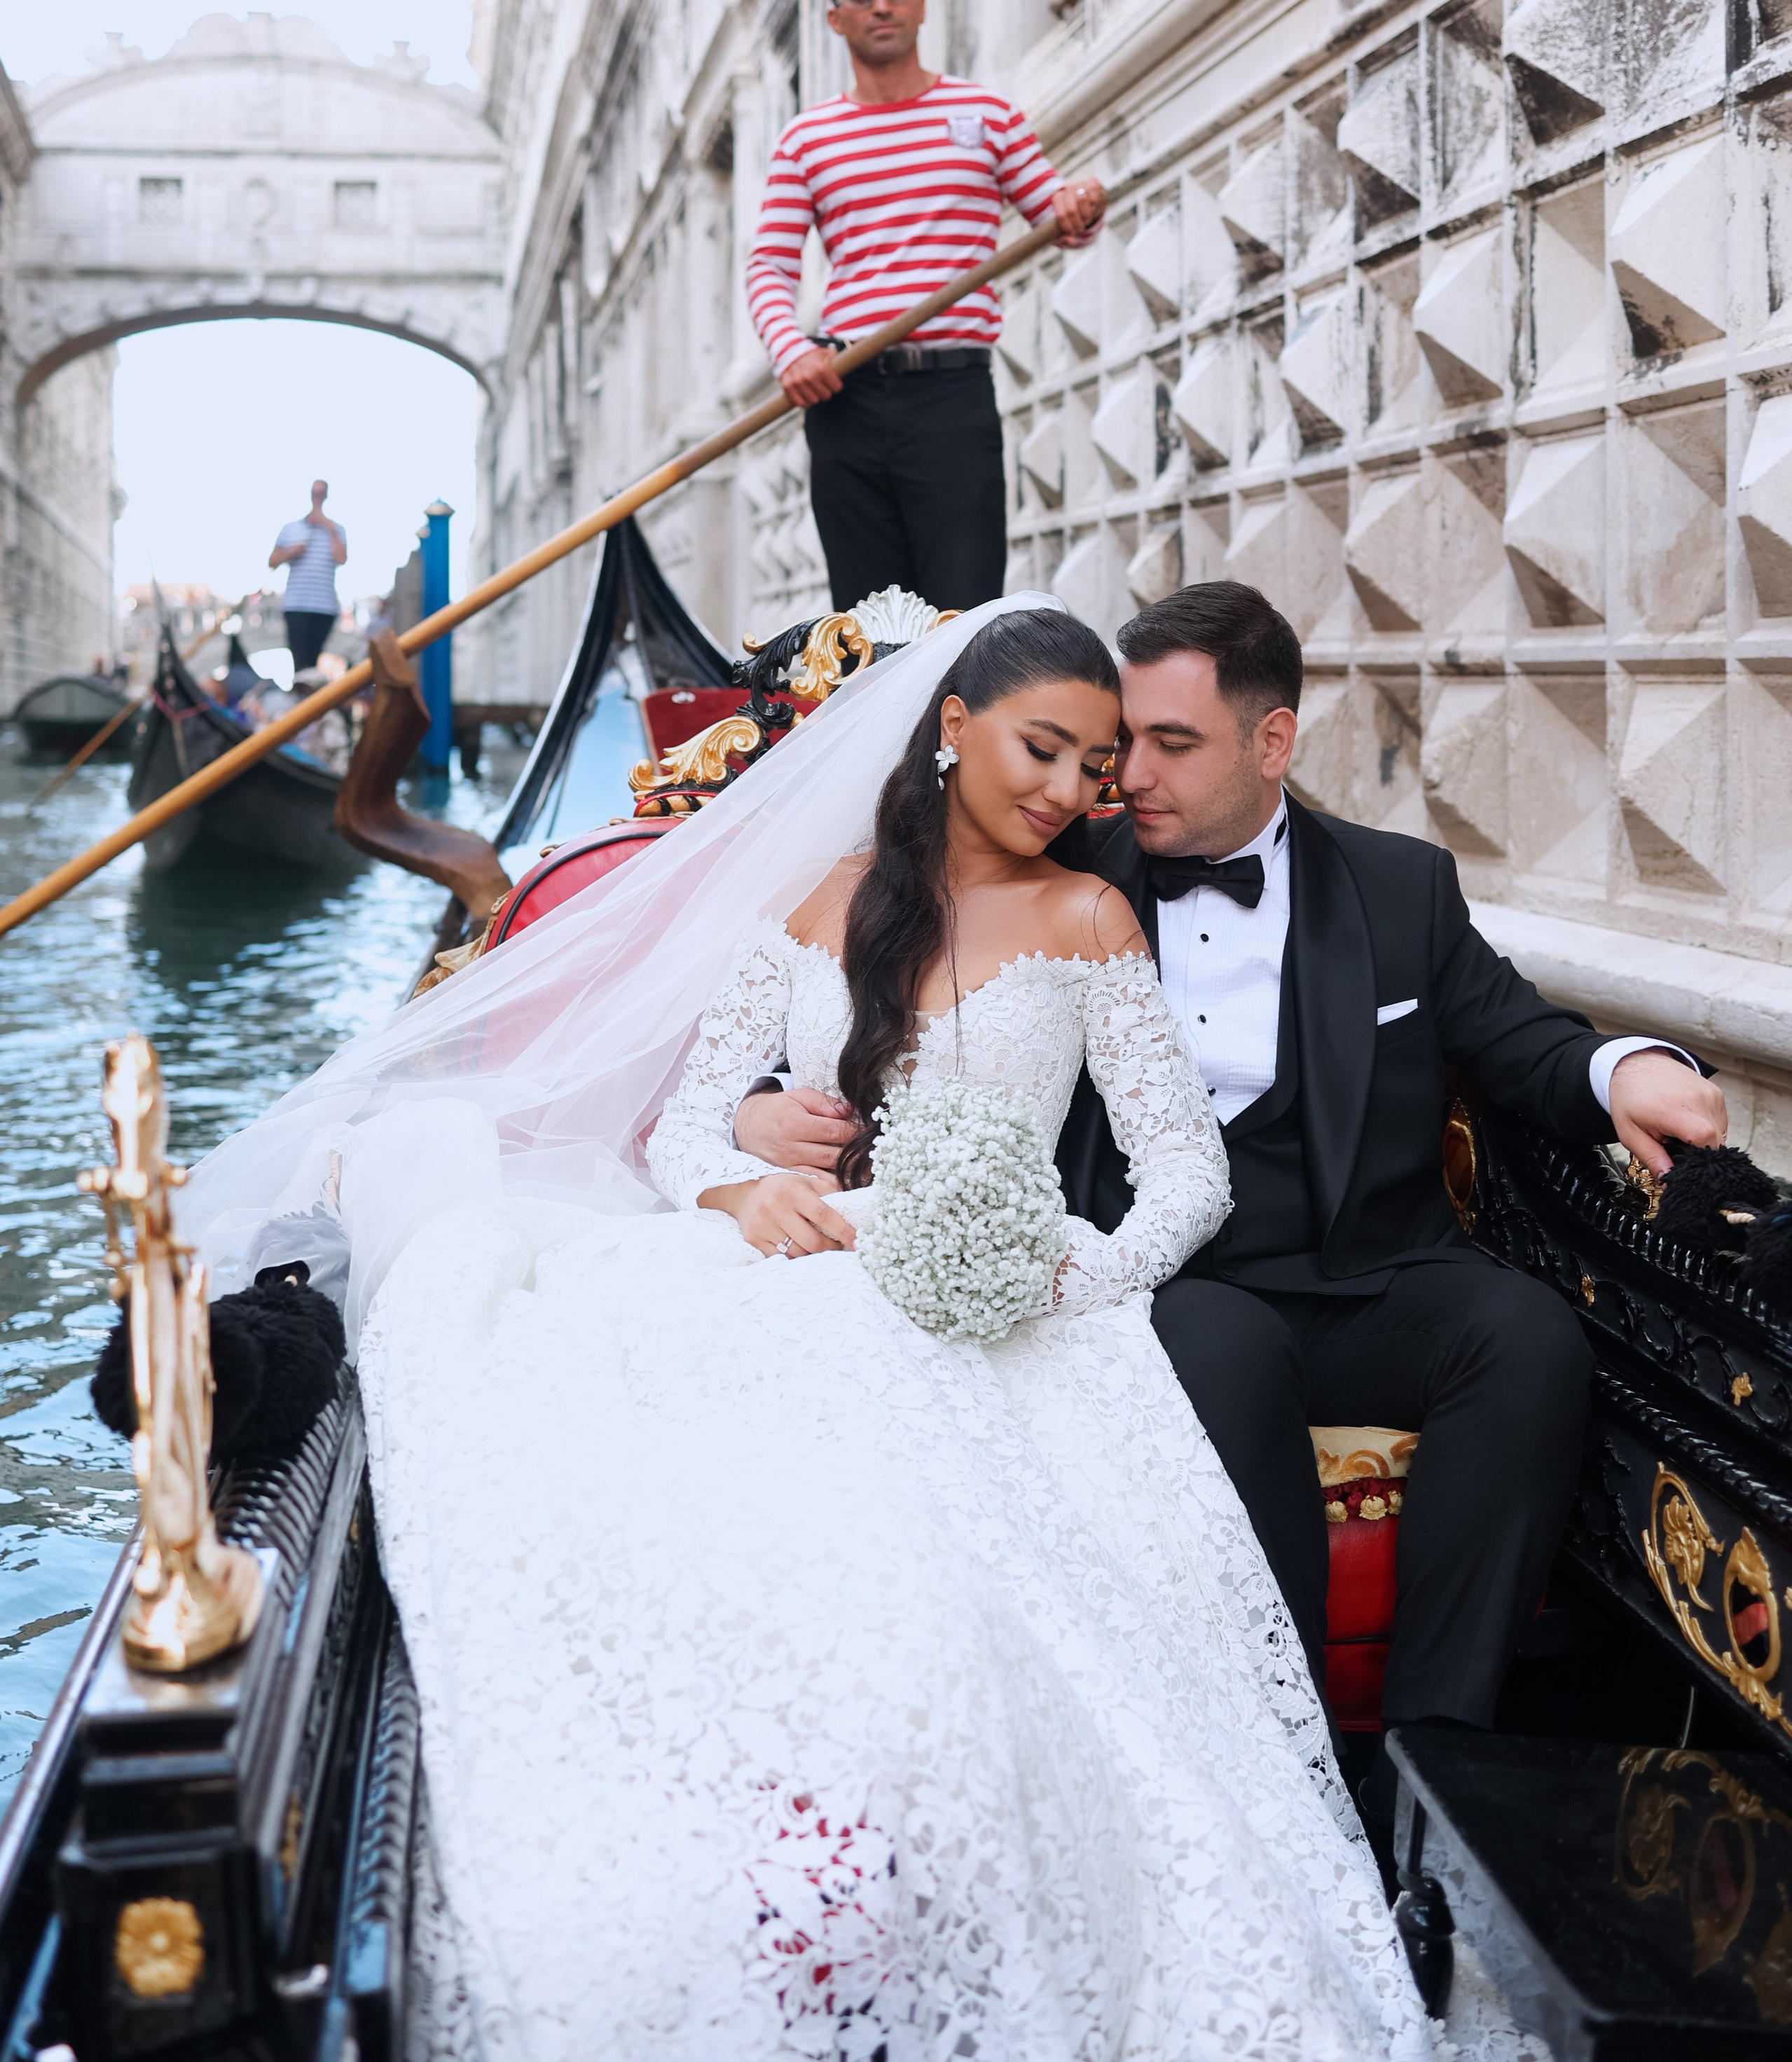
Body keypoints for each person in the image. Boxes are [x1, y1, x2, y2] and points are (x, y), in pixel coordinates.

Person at [185, 598, 1428, 2058]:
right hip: (801, 1268)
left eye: (1096, 766)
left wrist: (1063, 1275)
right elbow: (687, 1122)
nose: (1067, 790)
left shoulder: (1092, 916)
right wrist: (732, 1182)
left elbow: (1186, 1175)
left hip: (1012, 1311)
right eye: (1043, 746)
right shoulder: (818, 902)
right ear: (952, 726)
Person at [736, 580, 1724, 1835]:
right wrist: (762, 1109)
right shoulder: (1057, 871)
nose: (1122, 776)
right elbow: (895, 1022)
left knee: (1522, 1335)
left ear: (1270, 743)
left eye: (1167, 744)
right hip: (1162, 1279)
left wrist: (1621, 1067)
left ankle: (1435, 1767)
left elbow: (1518, 1035)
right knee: (1226, 1347)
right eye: (1117, 744)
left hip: (1368, 1269)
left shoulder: (1397, 886)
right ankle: (1288, 1756)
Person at [745, 0, 1106, 612]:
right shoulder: (807, 138)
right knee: (868, 627)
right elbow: (769, 264)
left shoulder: (986, 116)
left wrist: (1078, 204)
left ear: (919, 6)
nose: (880, 5)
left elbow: (1058, 216)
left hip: (951, 397)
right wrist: (790, 349)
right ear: (836, 19)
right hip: (844, 395)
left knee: (963, 614)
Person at [269, 480, 345, 675]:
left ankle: (310, 698)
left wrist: (327, 527)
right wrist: (291, 552)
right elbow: (272, 562)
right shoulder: (291, 529)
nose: (318, 496)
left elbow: (341, 558)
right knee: (300, 662)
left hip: (324, 606)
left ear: (326, 496)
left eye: (321, 493)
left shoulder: (336, 530)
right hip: (296, 604)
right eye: (315, 493)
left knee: (313, 661)